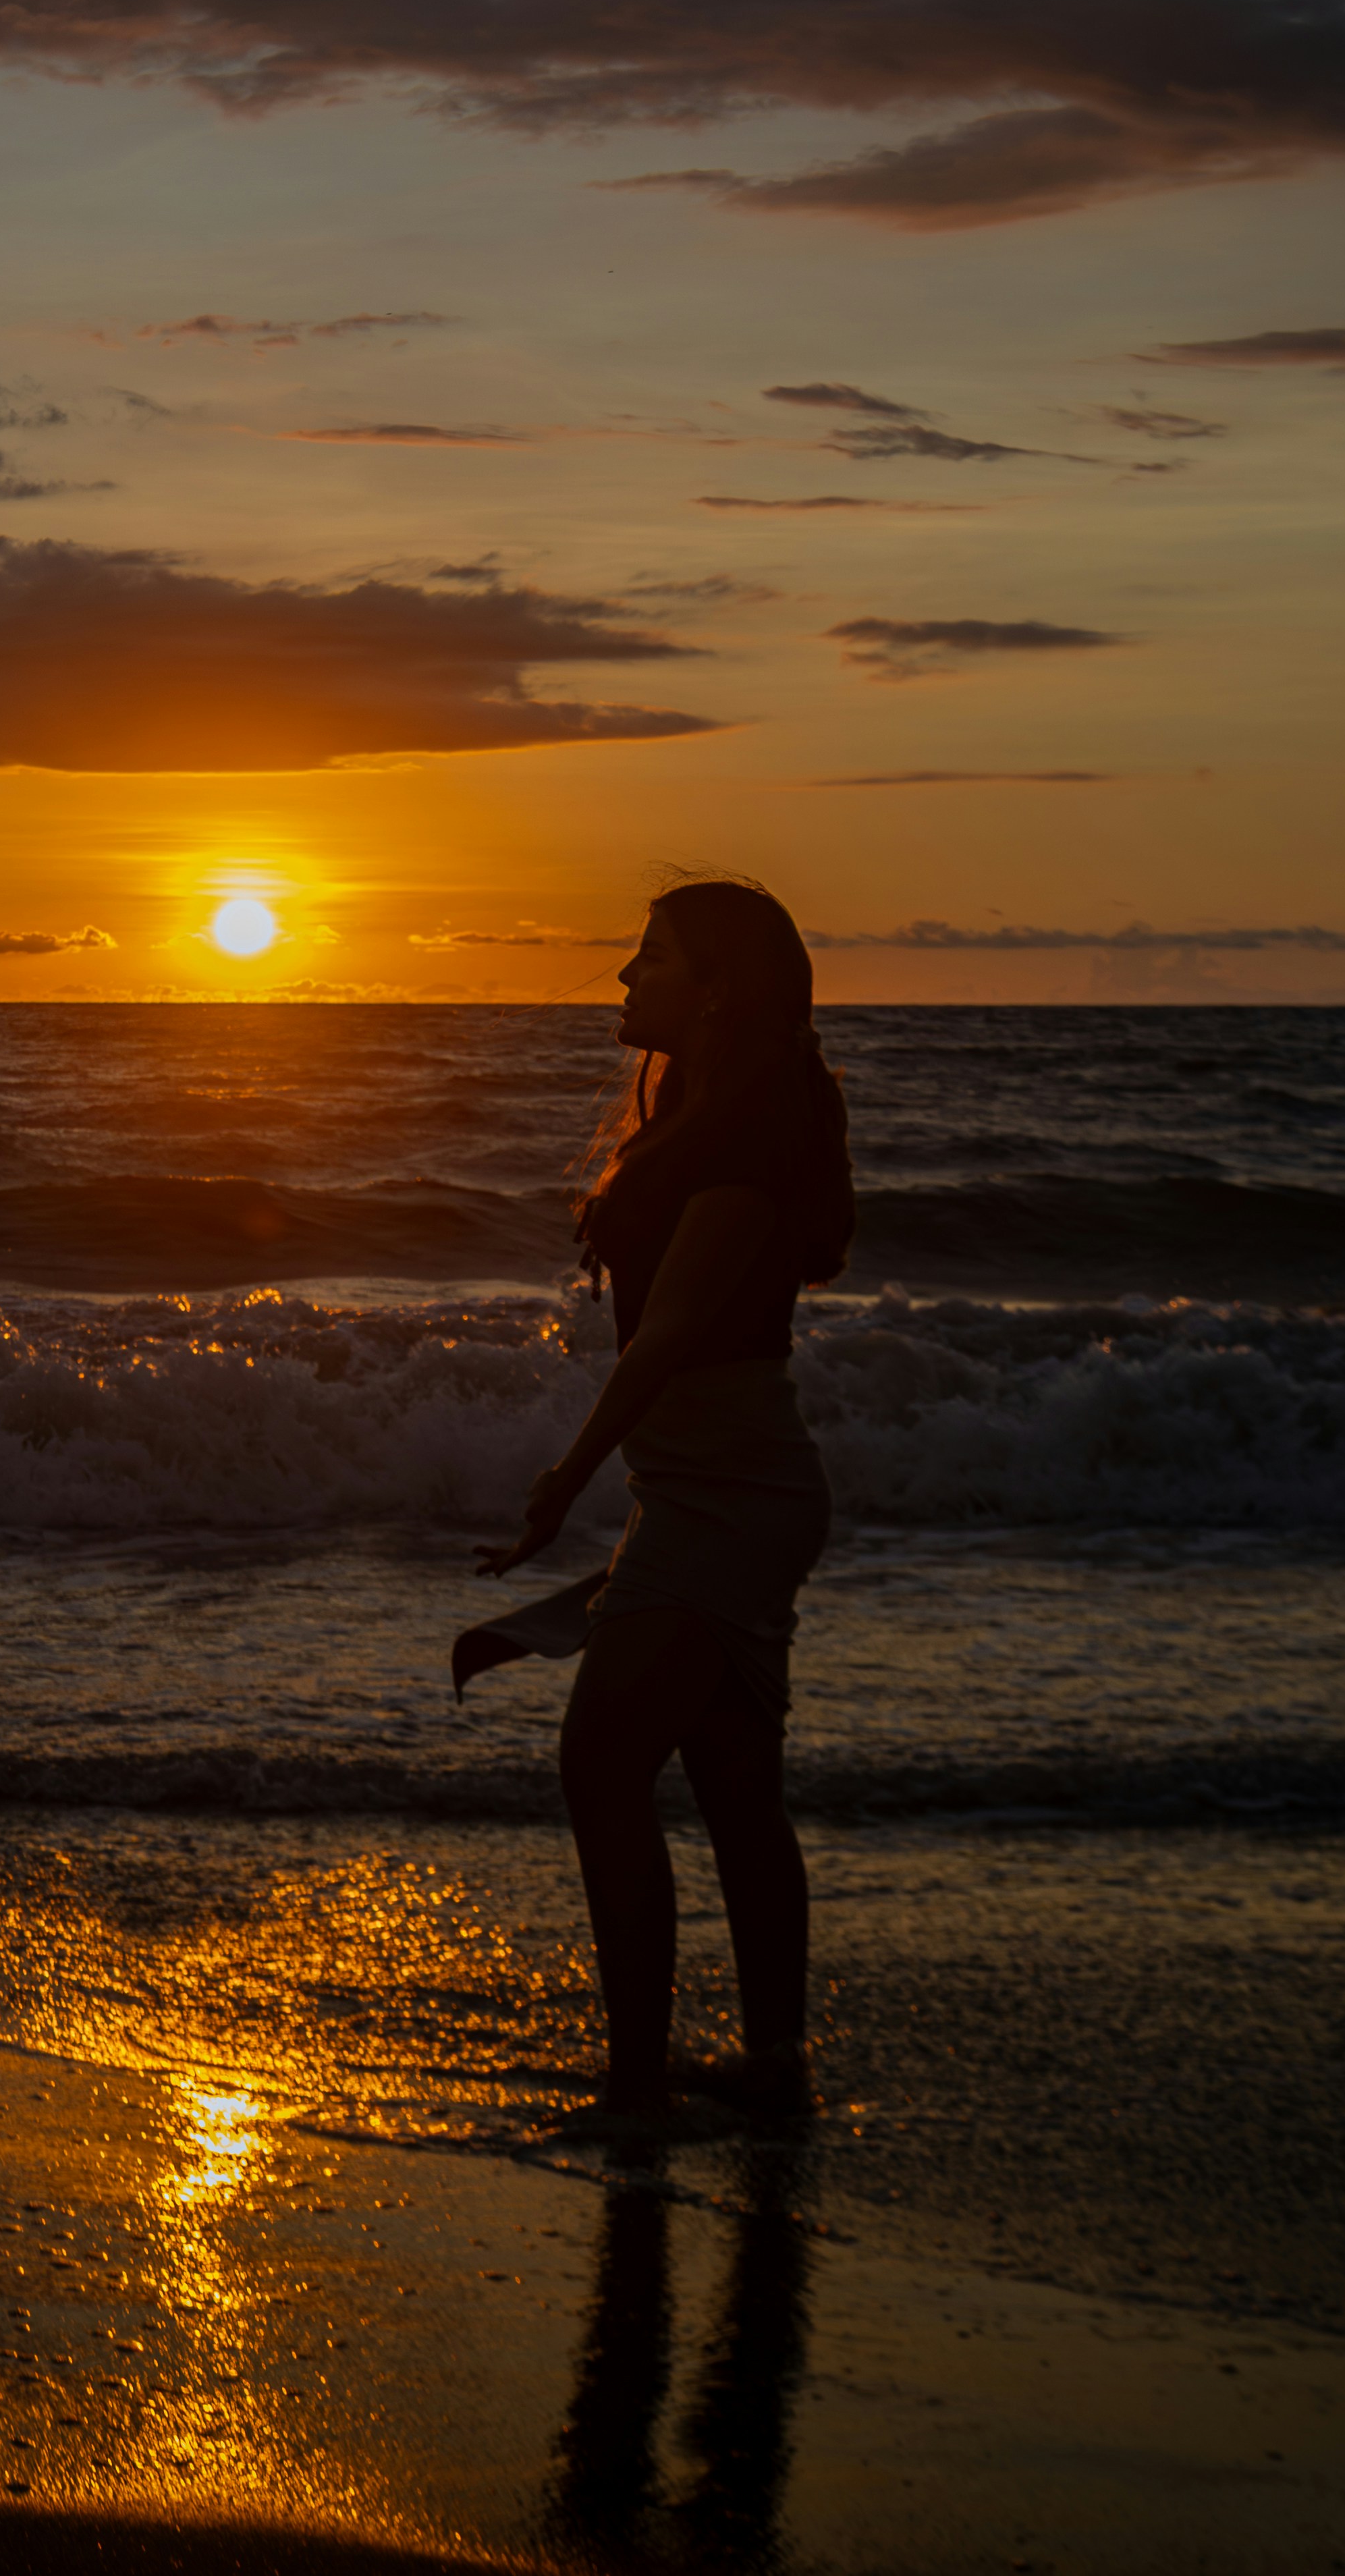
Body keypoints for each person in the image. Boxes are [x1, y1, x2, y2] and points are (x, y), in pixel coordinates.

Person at [470, 875, 854, 2128]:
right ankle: (772, 2073)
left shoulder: (748, 1137)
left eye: (651, 957)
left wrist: (562, 1483)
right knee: (734, 1786)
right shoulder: (705, 1113)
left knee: (599, 1763)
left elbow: (672, 1332)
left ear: (718, 988)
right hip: (710, 1485)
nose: (626, 976)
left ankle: (637, 2089)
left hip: (728, 1494)